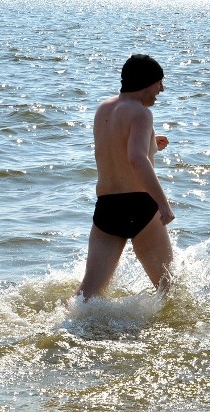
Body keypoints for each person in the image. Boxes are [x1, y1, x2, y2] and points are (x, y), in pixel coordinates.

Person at [74, 54, 175, 300]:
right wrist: (163, 204)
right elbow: (136, 159)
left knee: (87, 295)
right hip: (139, 206)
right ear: (146, 82)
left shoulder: (103, 109)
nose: (161, 89)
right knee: (168, 290)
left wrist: (151, 143)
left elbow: (115, 150)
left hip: (107, 208)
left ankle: (63, 327)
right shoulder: (141, 113)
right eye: (159, 83)